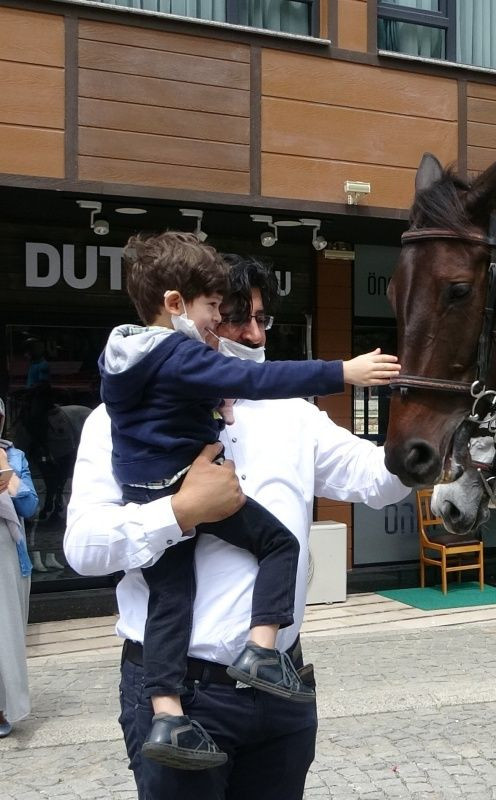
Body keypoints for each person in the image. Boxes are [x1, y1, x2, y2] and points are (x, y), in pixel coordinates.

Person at [66, 253, 412, 799]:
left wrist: (434, 442)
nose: (253, 335)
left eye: (261, 318)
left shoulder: (293, 413)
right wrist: (178, 512)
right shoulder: (119, 419)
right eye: (234, 318)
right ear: (193, 316)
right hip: (181, 693)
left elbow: (376, 479)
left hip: (279, 689)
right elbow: (83, 548)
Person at [0, 398, 38, 738]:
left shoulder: (14, 456)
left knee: (6, 634)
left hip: (8, 557)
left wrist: (9, 479)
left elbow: (29, 505)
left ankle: (4, 708)